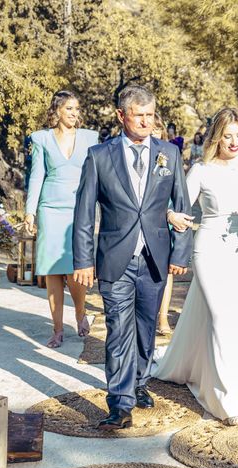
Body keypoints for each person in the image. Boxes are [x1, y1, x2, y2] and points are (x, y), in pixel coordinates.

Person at [72, 85, 193, 430]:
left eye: (150, 115)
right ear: (121, 116)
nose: (145, 121)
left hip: (154, 257)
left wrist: (180, 251)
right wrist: (83, 261)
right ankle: (120, 402)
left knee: (145, 329)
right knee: (117, 329)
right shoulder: (99, 156)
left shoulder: (169, 154)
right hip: (114, 259)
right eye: (138, 114)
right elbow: (84, 214)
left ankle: (139, 382)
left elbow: (180, 207)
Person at [154, 108, 238, 426]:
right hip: (210, 249)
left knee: (235, 317)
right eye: (227, 135)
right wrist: (172, 216)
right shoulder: (202, 170)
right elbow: (172, 204)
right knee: (222, 318)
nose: (234, 141)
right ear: (217, 137)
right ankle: (229, 400)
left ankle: (205, 372)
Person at [25, 90, 98, 348]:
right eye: (69, 108)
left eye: (77, 108)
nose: (74, 113)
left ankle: (80, 313)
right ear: (56, 111)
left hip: (79, 210)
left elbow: (96, 175)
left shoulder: (90, 138)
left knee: (75, 268)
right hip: (50, 209)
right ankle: (57, 329)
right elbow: (36, 176)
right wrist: (30, 212)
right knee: (53, 272)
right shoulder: (42, 139)